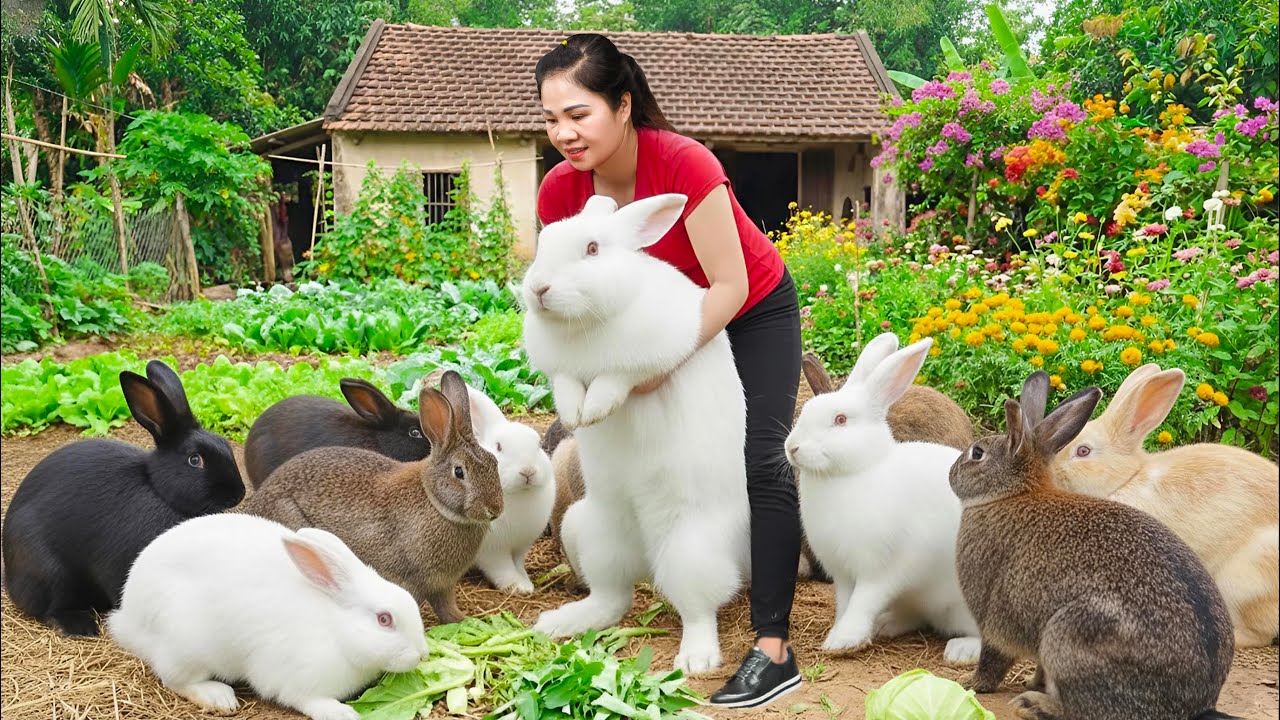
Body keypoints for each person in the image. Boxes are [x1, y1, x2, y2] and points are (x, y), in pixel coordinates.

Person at [534, 33, 804, 709]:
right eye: (551, 118)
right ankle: (610, 589)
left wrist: (655, 367)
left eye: (579, 114)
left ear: (623, 106)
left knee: (761, 452)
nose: (564, 132)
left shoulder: (683, 163)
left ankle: (772, 644)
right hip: (647, 328)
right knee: (623, 459)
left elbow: (728, 283)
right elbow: (559, 299)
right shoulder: (562, 190)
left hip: (742, 306)